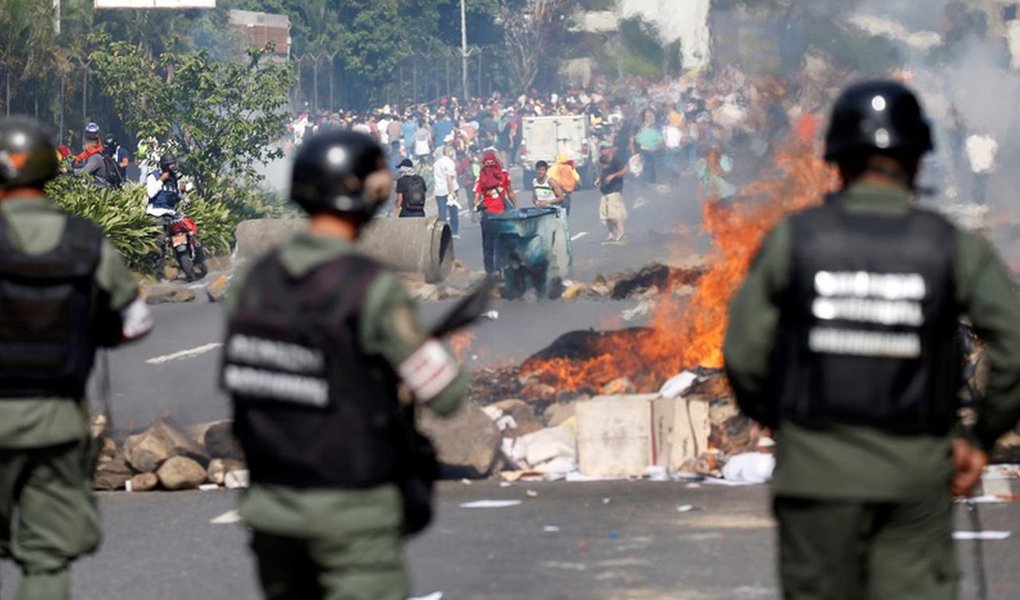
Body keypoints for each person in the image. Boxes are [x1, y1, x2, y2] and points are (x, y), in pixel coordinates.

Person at [723, 80, 1020, 600]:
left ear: (837, 159)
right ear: (916, 160)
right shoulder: (951, 246)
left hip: (815, 478)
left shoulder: (795, 239)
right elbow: (1014, 345)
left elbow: (743, 353)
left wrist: (787, 423)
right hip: (913, 478)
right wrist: (980, 440)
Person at [220, 130, 468, 600]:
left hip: (271, 505)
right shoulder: (369, 287)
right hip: (349, 503)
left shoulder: (253, 283)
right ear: (365, 195)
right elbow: (447, 394)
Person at [0, 116, 153, 600]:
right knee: (45, 558)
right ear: (50, 170)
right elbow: (136, 321)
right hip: (55, 418)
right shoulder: (83, 239)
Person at [473, 151, 518, 275]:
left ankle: (490, 272)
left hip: (487, 215)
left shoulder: (481, 177)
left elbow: (476, 198)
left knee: (488, 246)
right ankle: (501, 267)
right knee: (502, 242)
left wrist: (478, 206)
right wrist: (515, 208)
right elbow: (510, 192)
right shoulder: (504, 174)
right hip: (502, 215)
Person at [145, 153, 185, 280]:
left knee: (183, 235)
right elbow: (151, 193)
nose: (172, 166)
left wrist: (182, 192)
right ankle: (159, 273)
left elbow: (176, 197)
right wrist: (161, 180)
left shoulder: (174, 179)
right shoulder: (153, 176)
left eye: (173, 164)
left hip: (171, 214)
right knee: (160, 242)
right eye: (169, 164)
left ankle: (186, 264)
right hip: (156, 214)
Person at [594, 140, 628, 245]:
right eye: (601, 149)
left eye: (605, 148)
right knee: (606, 214)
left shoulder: (616, 159)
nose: (603, 151)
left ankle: (621, 233)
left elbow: (625, 169)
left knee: (615, 213)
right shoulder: (602, 159)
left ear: (610, 149)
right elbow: (604, 171)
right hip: (605, 190)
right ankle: (611, 234)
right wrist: (599, 179)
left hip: (615, 189)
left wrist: (614, 176)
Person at [432, 146, 460, 237]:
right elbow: (449, 178)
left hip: (439, 190)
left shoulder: (436, 163)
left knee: (442, 213)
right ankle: (454, 231)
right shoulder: (449, 162)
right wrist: (452, 192)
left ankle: (442, 233)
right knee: (453, 212)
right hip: (449, 190)